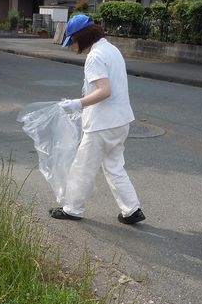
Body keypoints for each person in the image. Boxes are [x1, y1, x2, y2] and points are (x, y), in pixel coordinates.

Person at [49, 14, 145, 225]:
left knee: (82, 166)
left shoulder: (94, 56)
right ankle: (132, 209)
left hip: (102, 124)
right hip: (121, 121)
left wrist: (78, 103)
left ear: (82, 36)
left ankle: (72, 209)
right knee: (114, 166)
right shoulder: (112, 49)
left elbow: (104, 91)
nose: (75, 46)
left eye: (74, 41)